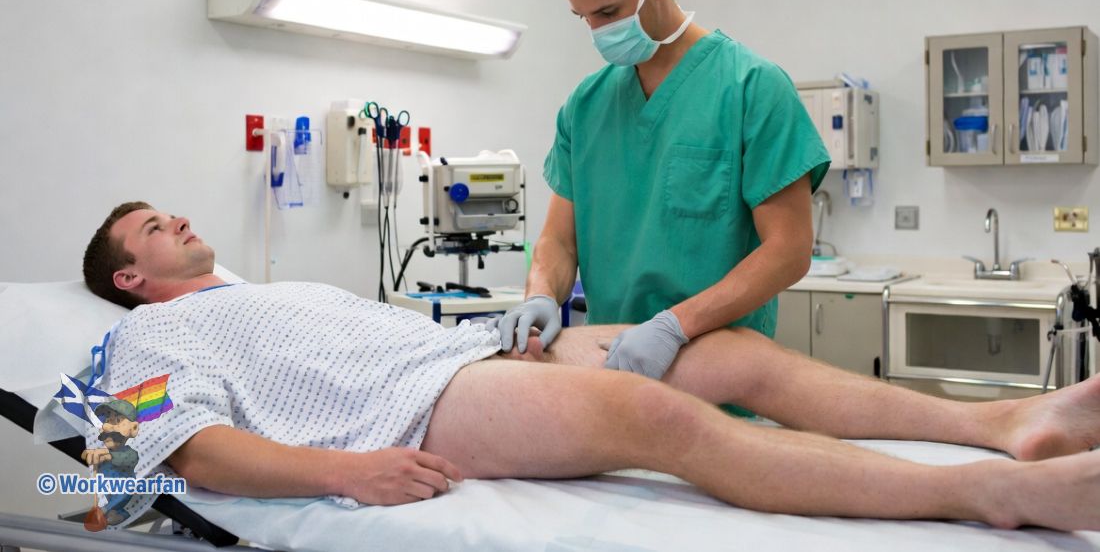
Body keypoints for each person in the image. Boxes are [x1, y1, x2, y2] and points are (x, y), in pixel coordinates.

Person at [75, 201, 1100, 532]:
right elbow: (179, 453)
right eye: (151, 228)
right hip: (417, 407)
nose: (177, 220)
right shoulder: (143, 342)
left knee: (724, 350)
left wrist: (517, 319)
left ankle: (1002, 423)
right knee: (654, 417)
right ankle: (992, 496)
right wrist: (346, 471)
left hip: (466, 350)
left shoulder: (270, 289)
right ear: (128, 278)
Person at [498, 0, 832, 391]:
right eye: (584, 18)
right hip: (611, 368)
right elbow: (560, 241)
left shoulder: (751, 88)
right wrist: (541, 296)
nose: (597, 30)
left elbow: (788, 250)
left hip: (718, 375)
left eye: (609, 12)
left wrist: (675, 326)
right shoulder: (586, 105)